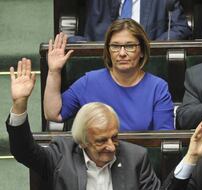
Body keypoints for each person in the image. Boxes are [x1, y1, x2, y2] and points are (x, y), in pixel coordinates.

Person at [7, 58, 171, 190]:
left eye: (114, 137)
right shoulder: (62, 154)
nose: (110, 146)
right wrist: (20, 105)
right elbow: (23, 151)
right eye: (101, 141)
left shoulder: (135, 157)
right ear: (82, 141)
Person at [44, 19, 174, 131]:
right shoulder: (90, 82)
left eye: (130, 46)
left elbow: (163, 138)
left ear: (141, 51)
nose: (122, 53)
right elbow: (53, 114)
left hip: (141, 158)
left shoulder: (157, 87)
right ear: (108, 51)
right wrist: (54, 72)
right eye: (115, 46)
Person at [70, 0, 192, 41]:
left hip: (147, 63)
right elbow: (91, 39)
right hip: (105, 63)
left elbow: (181, 29)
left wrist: (146, 46)